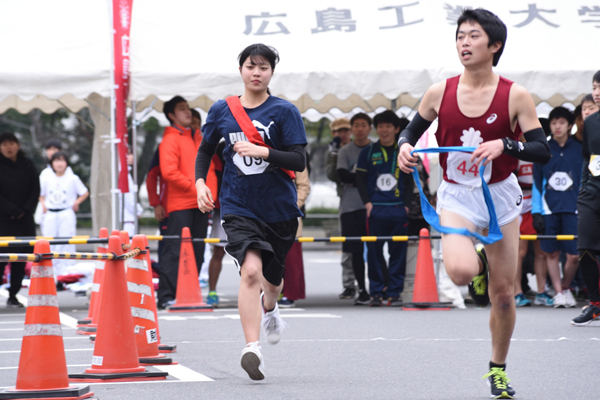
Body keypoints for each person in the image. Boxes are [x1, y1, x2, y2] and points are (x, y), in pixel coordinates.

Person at [397, 9, 551, 399]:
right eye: (460, 36)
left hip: (500, 193)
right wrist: (404, 148)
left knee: (502, 296)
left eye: (473, 36)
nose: (464, 43)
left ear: (494, 45)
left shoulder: (515, 94)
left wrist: (506, 144)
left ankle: (497, 369)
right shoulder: (439, 91)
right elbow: (410, 131)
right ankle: (477, 258)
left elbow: (541, 149)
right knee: (463, 274)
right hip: (457, 192)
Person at [195, 43, 307, 381]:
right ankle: (251, 347)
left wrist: (263, 151)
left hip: (278, 209)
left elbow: (299, 161)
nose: (256, 73)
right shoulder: (222, 110)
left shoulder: (284, 111)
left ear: (272, 72)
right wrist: (201, 182)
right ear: (241, 69)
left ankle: (270, 308)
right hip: (238, 205)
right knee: (250, 272)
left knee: (272, 283)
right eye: (250, 66)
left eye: (263, 67)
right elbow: (205, 149)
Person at [156, 95, 216, 310]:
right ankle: (166, 296)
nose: (188, 112)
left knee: (198, 249)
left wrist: (209, 195)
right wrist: (197, 189)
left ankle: (188, 292)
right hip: (180, 204)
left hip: (202, 203)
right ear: (171, 115)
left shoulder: (199, 136)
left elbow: (212, 167)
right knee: (174, 251)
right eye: (182, 109)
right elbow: (169, 172)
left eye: (188, 108)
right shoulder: (170, 139)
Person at [356, 110, 413, 307]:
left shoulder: (403, 152)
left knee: (398, 252)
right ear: (376, 129)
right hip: (376, 210)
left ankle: (395, 292)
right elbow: (360, 181)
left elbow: (409, 181)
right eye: (381, 126)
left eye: (389, 126)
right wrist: (367, 204)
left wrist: (405, 206)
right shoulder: (368, 152)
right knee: (373, 252)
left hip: (398, 209)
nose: (384, 130)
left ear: (397, 129)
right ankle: (377, 292)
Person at [532, 106, 581, 308]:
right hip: (548, 208)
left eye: (562, 122)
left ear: (570, 125)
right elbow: (536, 182)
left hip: (575, 208)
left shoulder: (580, 149)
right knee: (550, 253)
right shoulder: (543, 149)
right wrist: (536, 211)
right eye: (553, 123)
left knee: (574, 255)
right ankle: (559, 292)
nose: (557, 126)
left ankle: (566, 287)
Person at [572, 70, 600, 326]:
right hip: (591, 193)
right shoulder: (591, 123)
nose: (597, 92)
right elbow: (587, 158)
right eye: (595, 87)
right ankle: (595, 304)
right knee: (585, 248)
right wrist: (583, 188)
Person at [336, 112, 372, 305]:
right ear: (352, 129)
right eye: (356, 125)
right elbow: (342, 176)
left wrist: (357, 177)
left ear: (369, 128)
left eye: (363, 125)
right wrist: (365, 179)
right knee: (355, 252)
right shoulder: (345, 151)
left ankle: (380, 288)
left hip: (373, 207)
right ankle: (362, 290)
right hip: (350, 207)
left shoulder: (375, 149)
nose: (359, 129)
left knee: (375, 249)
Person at [0, 133, 40, 307]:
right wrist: (11, 209)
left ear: (17, 145)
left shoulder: (27, 164)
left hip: (24, 219)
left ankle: (13, 294)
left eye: (11, 143)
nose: (8, 147)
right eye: (4, 144)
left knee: (20, 259)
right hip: (3, 220)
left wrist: (25, 209)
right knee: (1, 259)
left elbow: (35, 189)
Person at [40, 152, 89, 278]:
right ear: (52, 164)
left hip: (66, 212)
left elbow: (84, 192)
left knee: (66, 241)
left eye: (62, 160)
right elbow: (41, 194)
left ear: (66, 163)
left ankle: (66, 272)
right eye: (56, 161)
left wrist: (76, 202)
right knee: (49, 241)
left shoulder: (72, 178)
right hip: (51, 213)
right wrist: (43, 204)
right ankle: (50, 270)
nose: (59, 164)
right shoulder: (46, 177)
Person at [326, 117, 357, 299]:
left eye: (344, 130)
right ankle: (349, 284)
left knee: (371, 245)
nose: (341, 134)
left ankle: (372, 284)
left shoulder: (360, 147)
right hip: (346, 200)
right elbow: (332, 175)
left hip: (367, 200)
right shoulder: (333, 151)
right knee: (348, 245)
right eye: (337, 131)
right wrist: (334, 153)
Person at [279, 167, 311, 308]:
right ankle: (264, 293)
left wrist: (292, 206)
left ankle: (290, 294)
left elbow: (304, 186)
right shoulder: (259, 150)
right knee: (265, 256)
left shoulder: (295, 154)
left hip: (290, 214)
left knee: (292, 258)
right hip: (265, 212)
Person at [120, 148, 143, 237]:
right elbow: (128, 197)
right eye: (129, 154)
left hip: (126, 218)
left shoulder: (124, 173)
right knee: (127, 247)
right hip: (127, 218)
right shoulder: (123, 174)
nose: (132, 157)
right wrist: (137, 210)